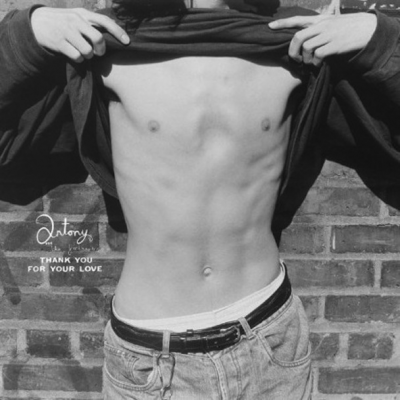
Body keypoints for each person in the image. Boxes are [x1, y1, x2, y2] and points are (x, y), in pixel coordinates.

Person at [1, 0, 400, 398]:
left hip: (269, 340)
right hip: (150, 357)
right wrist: (28, 32)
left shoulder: (292, 42)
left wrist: (376, 35)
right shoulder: (108, 45)